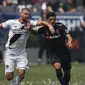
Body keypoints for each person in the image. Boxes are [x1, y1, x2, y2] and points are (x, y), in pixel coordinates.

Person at [0, 8, 55, 85]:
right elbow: (1, 25)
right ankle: (11, 70)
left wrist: (49, 25)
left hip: (21, 53)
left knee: (21, 74)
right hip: (10, 52)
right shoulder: (11, 22)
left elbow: (41, 22)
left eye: (28, 14)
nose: (27, 15)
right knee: (9, 77)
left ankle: (15, 83)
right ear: (20, 14)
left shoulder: (29, 23)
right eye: (25, 14)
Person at [38, 12, 73, 85]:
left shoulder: (61, 26)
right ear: (47, 20)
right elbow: (33, 26)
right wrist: (45, 24)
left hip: (64, 52)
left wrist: (69, 41)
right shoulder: (43, 29)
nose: (52, 21)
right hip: (52, 53)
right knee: (57, 66)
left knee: (67, 73)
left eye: (54, 19)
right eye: (50, 19)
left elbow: (69, 36)